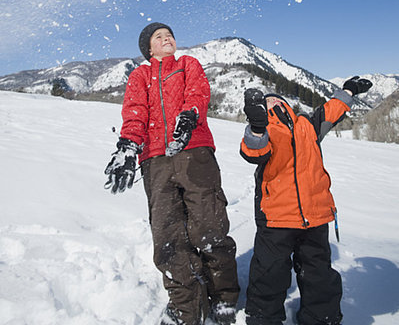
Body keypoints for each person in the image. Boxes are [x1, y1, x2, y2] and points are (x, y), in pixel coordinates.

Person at [104, 22, 239, 325]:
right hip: (155, 161)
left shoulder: (187, 64)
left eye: (169, 35)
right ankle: (185, 307)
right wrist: (128, 146)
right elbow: (135, 111)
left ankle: (224, 296)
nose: (166, 39)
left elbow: (198, 92)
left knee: (209, 227)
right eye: (158, 37)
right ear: (148, 49)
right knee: (168, 237)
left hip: (195, 152)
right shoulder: (139, 75)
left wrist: (189, 115)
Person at [240, 76, 373, 325]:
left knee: (318, 275)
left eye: (275, 101)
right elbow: (253, 151)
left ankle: (321, 318)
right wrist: (257, 127)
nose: (273, 104)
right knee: (270, 274)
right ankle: (263, 319)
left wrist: (349, 90)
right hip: (276, 217)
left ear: (287, 105)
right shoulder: (265, 129)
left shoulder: (308, 124)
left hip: (315, 216)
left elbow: (333, 109)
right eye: (268, 103)